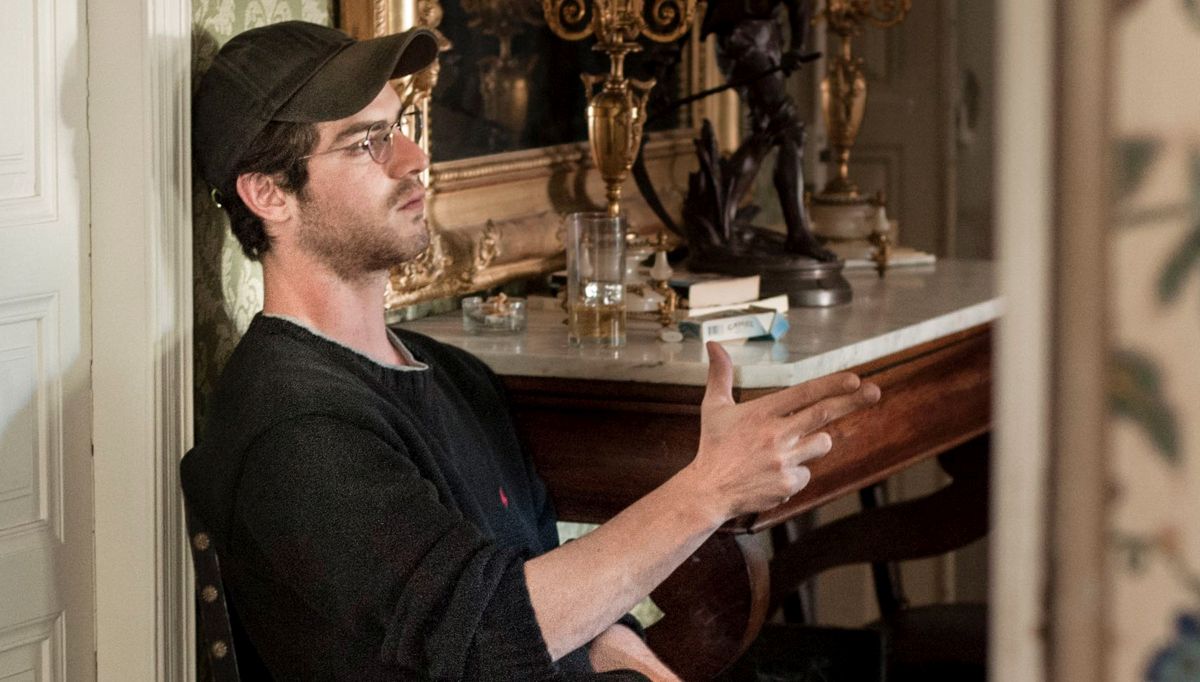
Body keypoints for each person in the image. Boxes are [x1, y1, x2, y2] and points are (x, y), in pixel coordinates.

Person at [183, 20, 880, 681]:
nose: (415, 158)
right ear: (268, 193)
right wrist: (711, 490)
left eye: (398, 127)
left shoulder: (454, 374)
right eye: (368, 142)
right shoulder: (293, 426)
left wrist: (635, 661)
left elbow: (556, 595)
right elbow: (491, 633)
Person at [698, 0, 836, 262]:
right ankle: (796, 232)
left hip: (760, 37)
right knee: (788, 128)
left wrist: (795, 48)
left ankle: (724, 215)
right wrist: (797, 47)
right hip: (744, 40)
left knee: (765, 131)